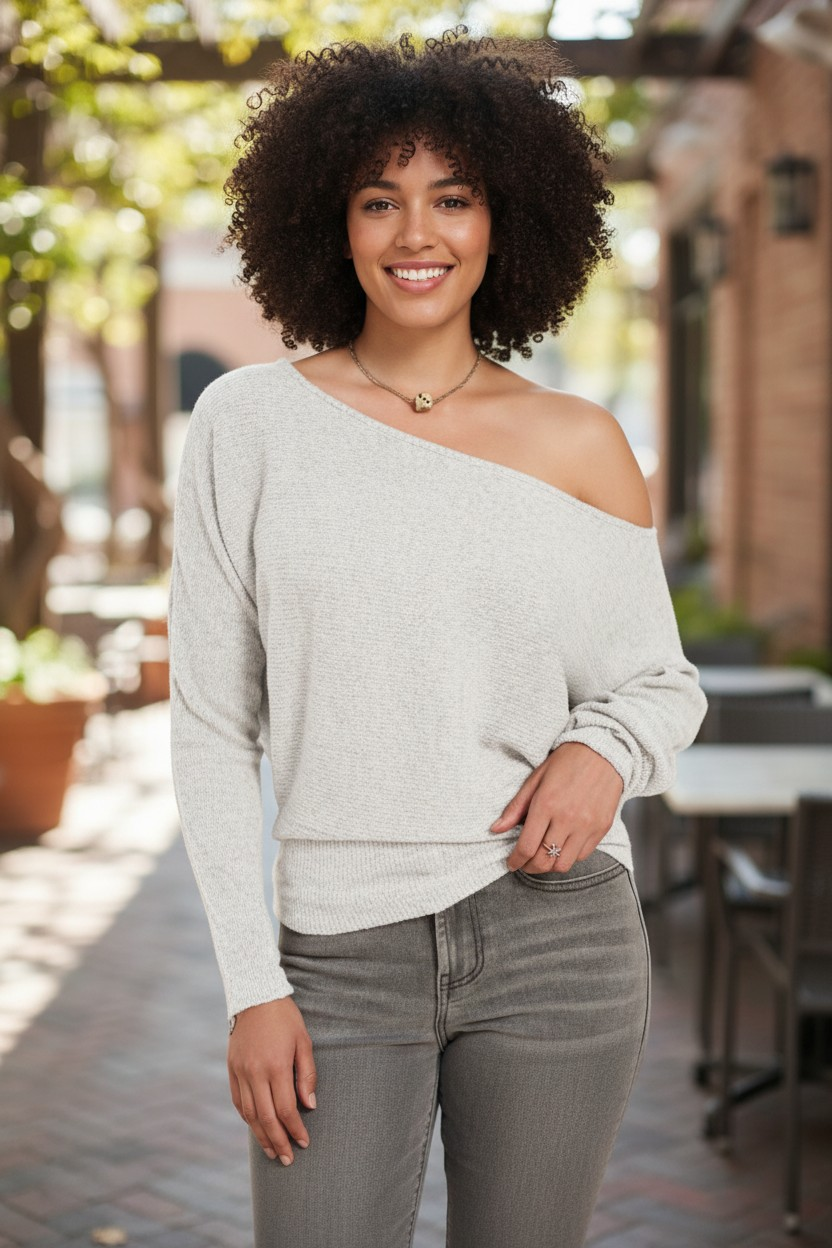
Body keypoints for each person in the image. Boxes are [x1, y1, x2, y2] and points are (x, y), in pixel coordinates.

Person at [168, 25, 708, 1248]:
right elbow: (210, 725)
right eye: (380, 199)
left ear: (504, 217)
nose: (417, 234)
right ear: (329, 221)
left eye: (451, 198)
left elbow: (657, 681)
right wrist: (256, 985)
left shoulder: (578, 440)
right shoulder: (246, 426)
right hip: (336, 952)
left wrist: (604, 751)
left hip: (555, 935)